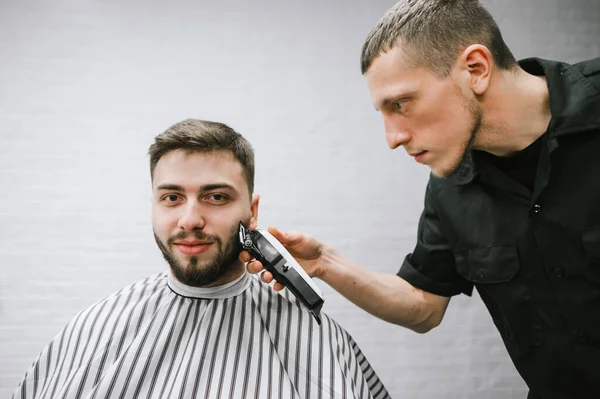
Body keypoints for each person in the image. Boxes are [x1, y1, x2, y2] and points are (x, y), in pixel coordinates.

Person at [242, 1, 600, 398]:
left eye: (401, 104)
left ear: (476, 69)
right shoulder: (451, 187)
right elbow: (423, 305)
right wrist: (325, 263)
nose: (392, 138)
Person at [13, 119, 390, 399]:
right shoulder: (93, 328)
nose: (190, 219)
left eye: (216, 197)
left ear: (252, 211)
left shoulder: (316, 337)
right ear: (154, 205)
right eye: (172, 197)